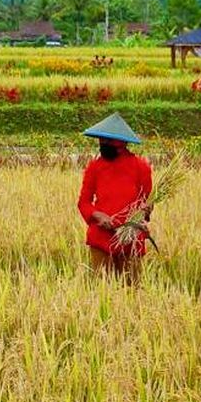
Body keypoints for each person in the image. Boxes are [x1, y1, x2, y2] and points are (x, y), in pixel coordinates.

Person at [77, 112, 152, 284]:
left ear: (122, 142)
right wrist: (98, 216)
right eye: (101, 140)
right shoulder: (94, 167)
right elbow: (84, 202)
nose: (103, 144)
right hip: (101, 238)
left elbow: (146, 203)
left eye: (108, 141)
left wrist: (145, 212)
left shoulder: (141, 167)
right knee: (101, 290)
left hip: (131, 239)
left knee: (132, 291)